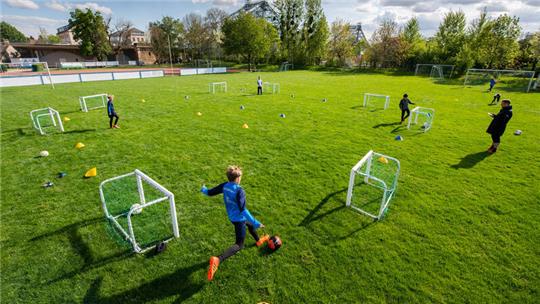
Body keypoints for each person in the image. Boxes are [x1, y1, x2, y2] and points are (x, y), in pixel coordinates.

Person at [201, 165, 269, 281]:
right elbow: (243, 210)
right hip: (239, 219)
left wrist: (204, 189)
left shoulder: (225, 186)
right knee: (239, 244)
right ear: (238, 178)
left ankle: (258, 241)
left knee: (249, 225)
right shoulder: (239, 190)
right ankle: (218, 259)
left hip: (232, 216)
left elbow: (210, 192)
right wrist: (257, 222)